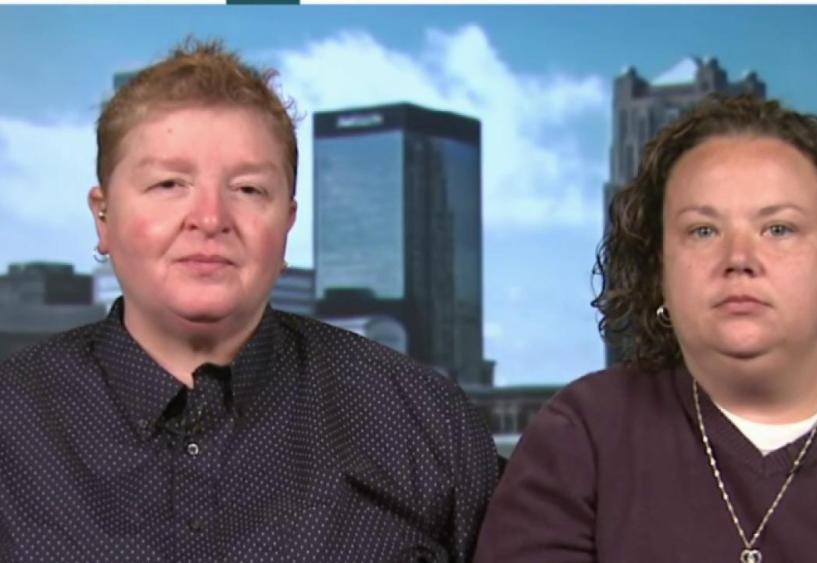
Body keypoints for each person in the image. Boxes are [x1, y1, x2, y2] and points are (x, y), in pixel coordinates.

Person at [0, 39, 497, 562]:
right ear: (103, 216)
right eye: (169, 184)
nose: (210, 219)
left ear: (287, 222)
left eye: (248, 190)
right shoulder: (12, 419)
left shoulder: (423, 420)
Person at [475, 95, 817, 562]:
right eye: (703, 230)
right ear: (660, 271)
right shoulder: (581, 437)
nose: (739, 259)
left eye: (779, 229)